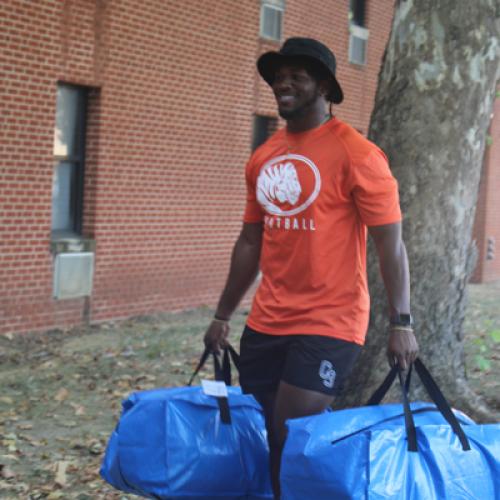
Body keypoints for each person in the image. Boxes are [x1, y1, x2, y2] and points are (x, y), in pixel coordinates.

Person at [203, 37, 418, 499]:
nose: (283, 82)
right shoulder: (264, 156)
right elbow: (249, 241)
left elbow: (391, 245)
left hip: (330, 319)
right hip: (267, 319)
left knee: (292, 433)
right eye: (278, 75)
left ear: (323, 86)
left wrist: (402, 322)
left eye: (296, 75)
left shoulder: (358, 154)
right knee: (267, 432)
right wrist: (222, 316)